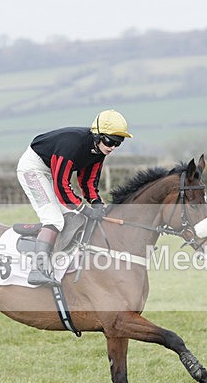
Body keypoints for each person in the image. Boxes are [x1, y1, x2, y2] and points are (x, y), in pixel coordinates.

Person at [16, 109, 133, 286]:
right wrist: (83, 208)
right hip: (33, 169)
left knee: (74, 219)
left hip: (51, 171)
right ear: (97, 135)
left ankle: (47, 240)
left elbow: (88, 181)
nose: (112, 147)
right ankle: (37, 269)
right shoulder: (72, 145)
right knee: (55, 219)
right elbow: (61, 186)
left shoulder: (98, 152)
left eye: (119, 142)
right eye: (110, 141)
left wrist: (96, 203)